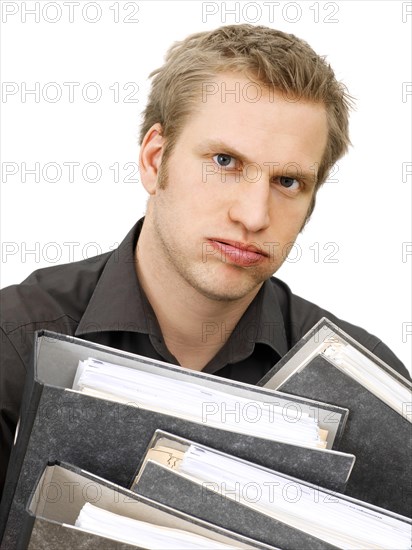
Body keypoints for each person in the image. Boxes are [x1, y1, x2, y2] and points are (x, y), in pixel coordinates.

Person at [0, 23, 409, 500]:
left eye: (289, 182)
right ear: (155, 160)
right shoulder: (12, 344)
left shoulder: (368, 385)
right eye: (224, 162)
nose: (254, 216)